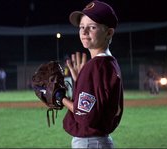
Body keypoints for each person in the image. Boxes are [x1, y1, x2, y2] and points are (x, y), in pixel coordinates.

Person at [54, 1, 124, 148]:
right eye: (81, 27)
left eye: (92, 27)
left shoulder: (95, 66)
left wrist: (59, 97)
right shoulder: (110, 63)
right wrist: (81, 81)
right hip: (100, 141)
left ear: (109, 32)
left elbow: (84, 116)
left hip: (89, 143)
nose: (84, 32)